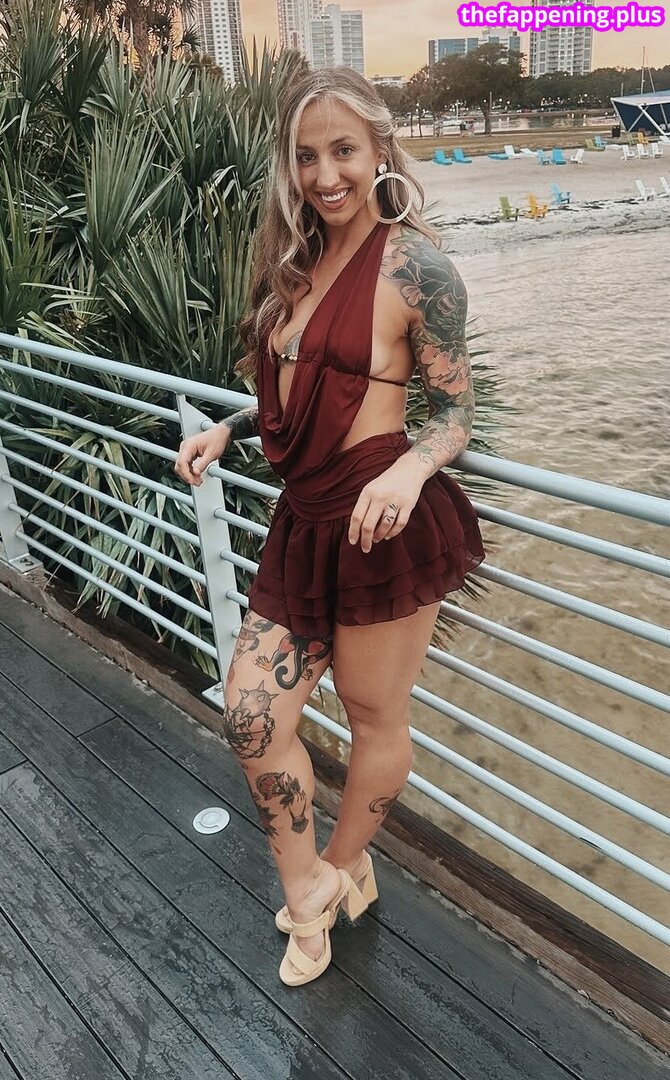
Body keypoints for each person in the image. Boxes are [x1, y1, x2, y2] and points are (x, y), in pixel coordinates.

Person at [175, 67, 486, 987]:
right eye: (307, 156)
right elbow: (301, 378)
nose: (324, 175)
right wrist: (231, 428)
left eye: (343, 151)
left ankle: (333, 884)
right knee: (250, 714)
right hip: (302, 522)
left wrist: (411, 465)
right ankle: (312, 881)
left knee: (372, 715)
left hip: (382, 526)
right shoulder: (296, 264)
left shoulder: (416, 267)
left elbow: (455, 415)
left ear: (379, 147)